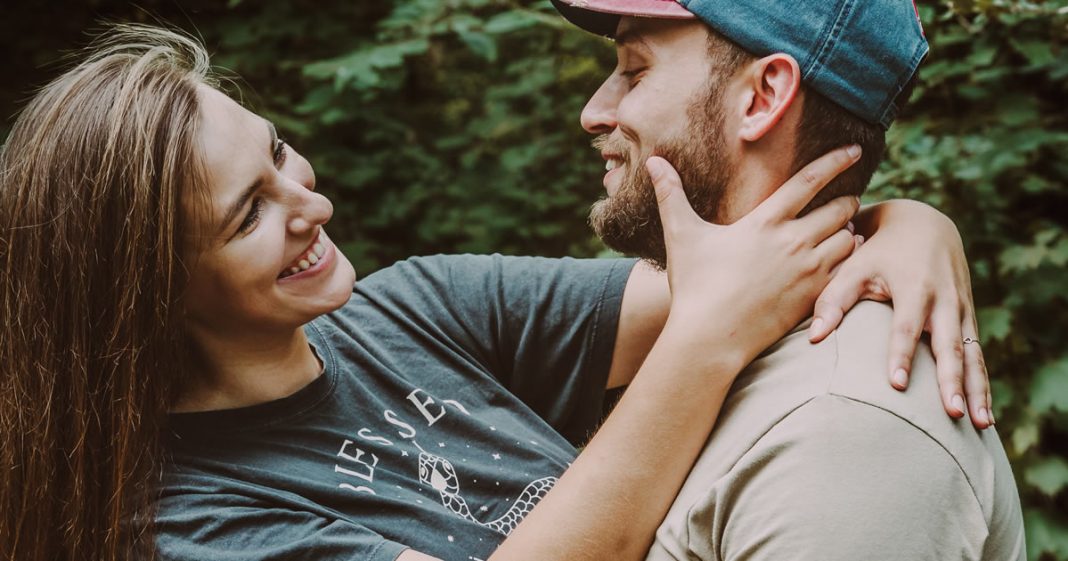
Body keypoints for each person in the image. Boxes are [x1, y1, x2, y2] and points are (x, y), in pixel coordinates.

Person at [0, 23, 989, 561]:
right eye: (246, 215)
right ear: (146, 293)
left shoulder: (412, 308)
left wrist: (905, 223)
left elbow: (741, 272)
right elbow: (711, 323)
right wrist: (700, 348)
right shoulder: (188, 524)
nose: (312, 202)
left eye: (281, 157)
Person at [552, 0, 1025, 558]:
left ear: (763, 97)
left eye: (635, 71)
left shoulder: (843, 435)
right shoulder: (731, 342)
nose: (594, 111)